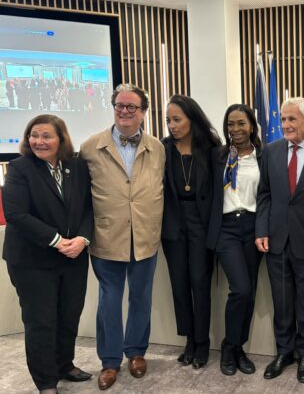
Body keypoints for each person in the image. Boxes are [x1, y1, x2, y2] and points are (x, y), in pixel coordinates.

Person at [80, 83, 165, 391]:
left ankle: (136, 352)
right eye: (119, 105)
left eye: (131, 106)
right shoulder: (90, 147)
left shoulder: (157, 148)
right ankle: (110, 360)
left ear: (143, 112)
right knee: (109, 301)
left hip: (145, 235)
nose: (124, 111)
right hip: (107, 236)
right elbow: (82, 197)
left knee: (141, 297)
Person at [2, 114, 93, 394]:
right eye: (34, 135)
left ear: (61, 139)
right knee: (41, 322)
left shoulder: (76, 166)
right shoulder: (19, 168)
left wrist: (83, 238)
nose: (38, 141)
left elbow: (89, 207)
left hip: (73, 256)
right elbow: (16, 214)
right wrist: (57, 241)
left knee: (69, 315)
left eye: (46, 136)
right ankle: (46, 382)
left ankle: (64, 365)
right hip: (32, 260)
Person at [255, 97, 304, 383]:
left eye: (292, 119)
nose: (285, 124)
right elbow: (264, 194)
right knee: (282, 302)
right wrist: (261, 230)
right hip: (276, 241)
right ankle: (284, 352)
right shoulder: (271, 151)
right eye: (283, 119)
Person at [161, 94, 221, 368]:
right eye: (168, 120)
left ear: (192, 119)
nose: (172, 126)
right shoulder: (163, 149)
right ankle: (189, 340)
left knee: (200, 282)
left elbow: (219, 193)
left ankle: (202, 341)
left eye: (177, 119)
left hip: (201, 223)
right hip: (173, 224)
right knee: (180, 284)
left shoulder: (211, 149)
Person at [207, 104, 263, 376]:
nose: (236, 129)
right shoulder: (217, 156)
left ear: (251, 126)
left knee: (249, 292)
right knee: (240, 289)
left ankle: (238, 348)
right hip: (226, 228)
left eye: (241, 123)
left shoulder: (263, 156)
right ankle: (229, 346)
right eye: (231, 124)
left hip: (253, 227)